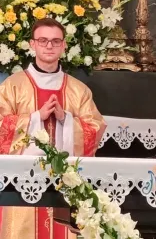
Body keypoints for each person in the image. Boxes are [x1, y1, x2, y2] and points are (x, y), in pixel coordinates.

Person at [0, 18, 106, 239]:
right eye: (43, 40)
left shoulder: (79, 90)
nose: (49, 46)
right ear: (32, 44)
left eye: (55, 41)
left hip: (66, 185)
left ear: (64, 46)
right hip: (22, 184)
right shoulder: (12, 86)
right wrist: (36, 117)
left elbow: (95, 129)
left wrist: (65, 119)